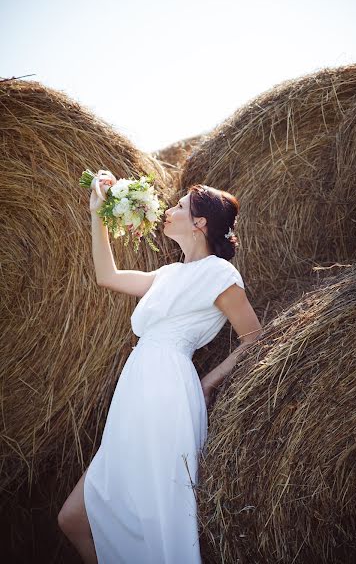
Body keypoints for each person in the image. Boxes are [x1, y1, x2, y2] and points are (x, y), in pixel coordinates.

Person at [58, 175, 262, 563]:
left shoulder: (220, 274)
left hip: (167, 392)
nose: (168, 211)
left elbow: (254, 337)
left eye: (179, 207)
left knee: (154, 517)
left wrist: (207, 382)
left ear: (200, 223)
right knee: (74, 519)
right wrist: (97, 214)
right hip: (137, 389)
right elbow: (108, 277)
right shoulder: (169, 274)